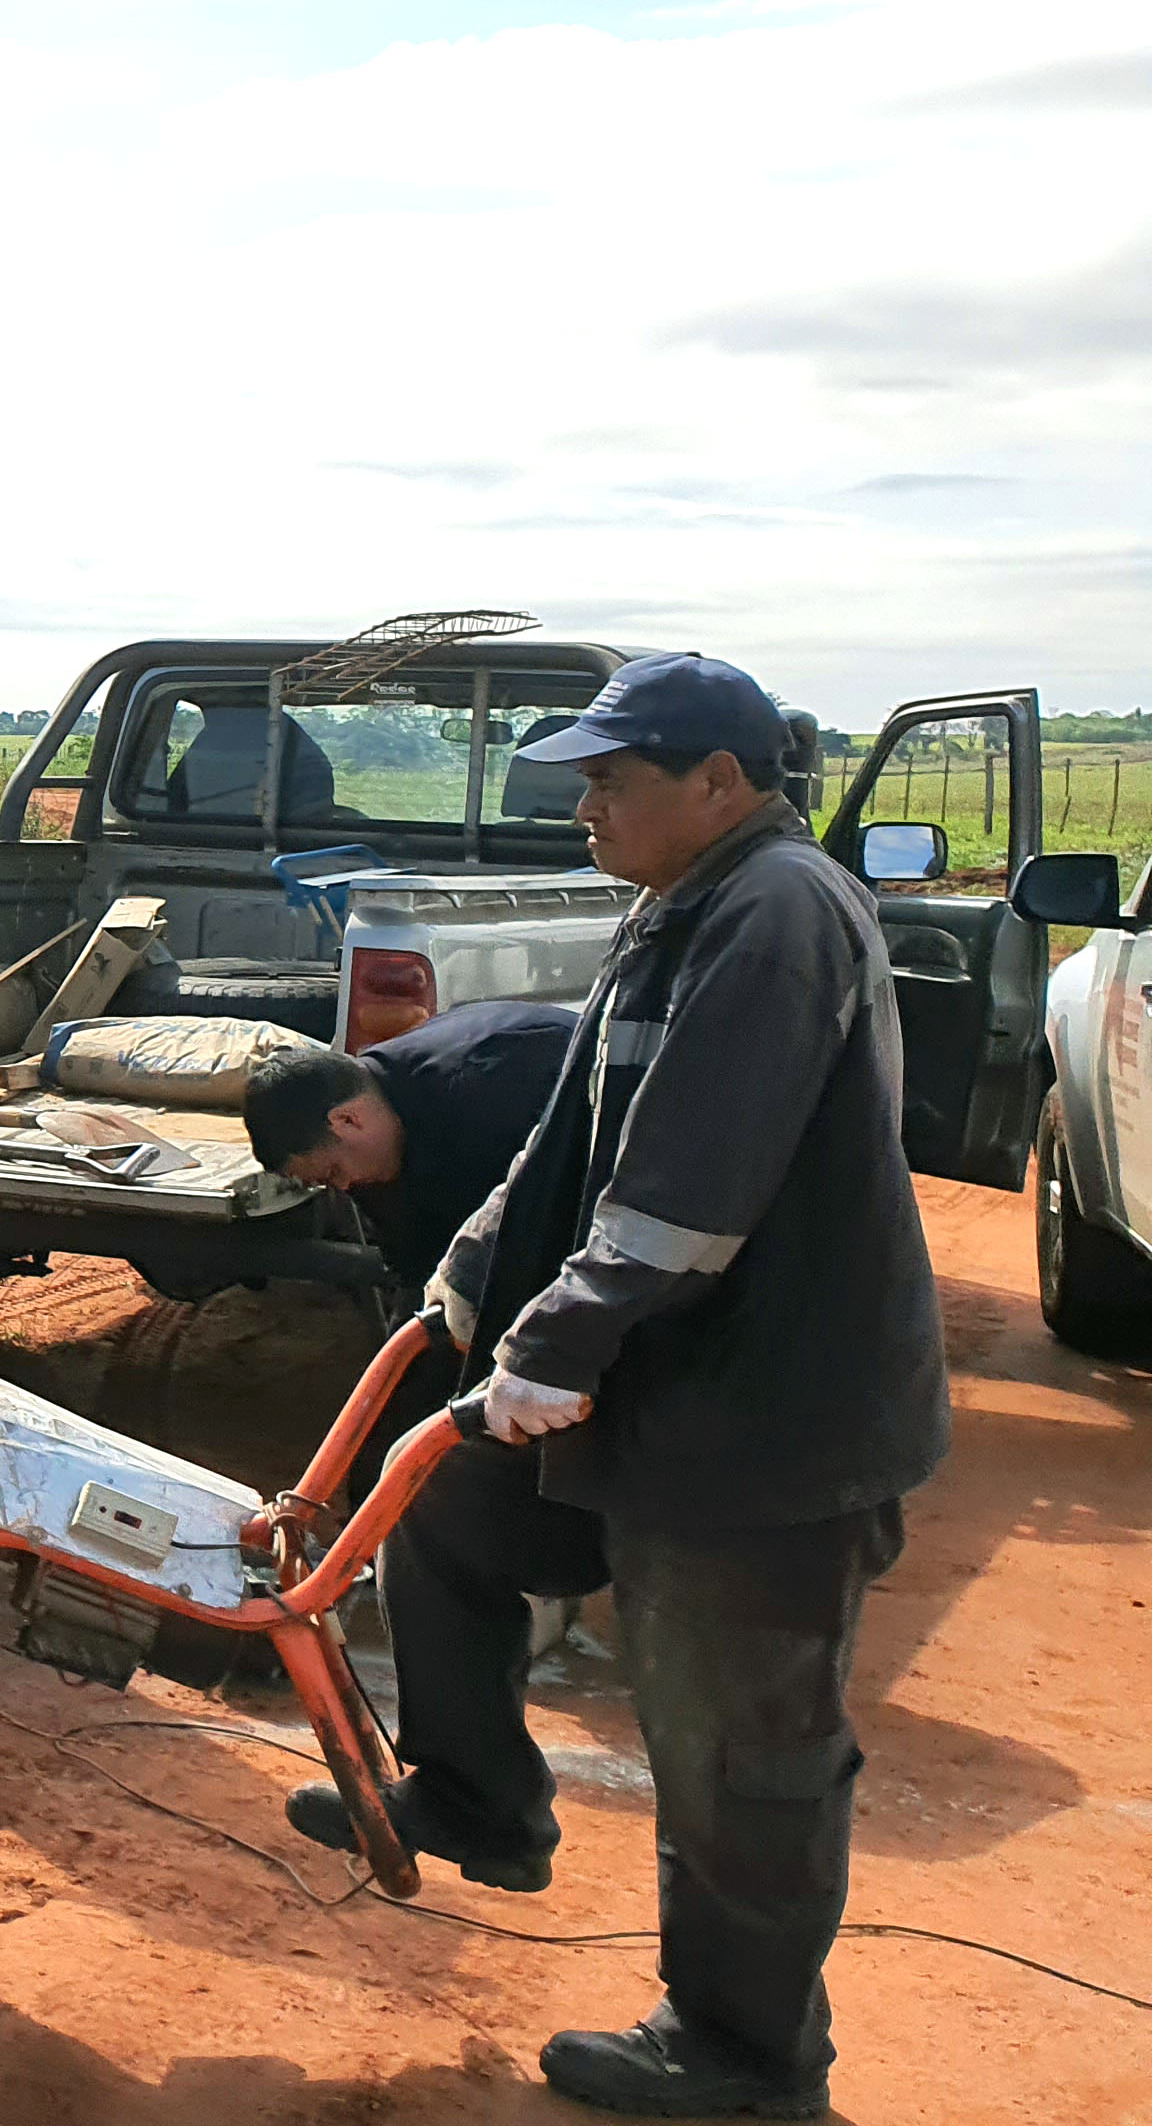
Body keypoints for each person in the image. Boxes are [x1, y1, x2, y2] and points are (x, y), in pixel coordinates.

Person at [275, 653, 947, 2121]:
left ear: (720, 782)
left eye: (609, 778)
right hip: (667, 1381)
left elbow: (689, 1199)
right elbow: (578, 1130)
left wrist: (553, 1347)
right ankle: (476, 1799)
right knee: (447, 1502)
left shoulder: (774, 918)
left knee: (734, 1750)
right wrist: (468, 1277)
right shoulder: (674, 905)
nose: (583, 802)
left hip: (766, 1421)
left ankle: (746, 2055)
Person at [244, 1003, 583, 1302]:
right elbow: (415, 1267)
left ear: (347, 1119)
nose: (345, 1186)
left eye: (334, 1172)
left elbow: (536, 1243)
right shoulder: (368, 1134)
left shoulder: (480, 1096)